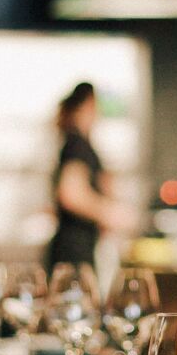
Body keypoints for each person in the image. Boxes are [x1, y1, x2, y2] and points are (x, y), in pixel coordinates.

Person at [47, 82, 130, 266]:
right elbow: (71, 195)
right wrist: (110, 213)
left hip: (74, 245)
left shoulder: (73, 142)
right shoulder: (77, 144)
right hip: (74, 249)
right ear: (88, 105)